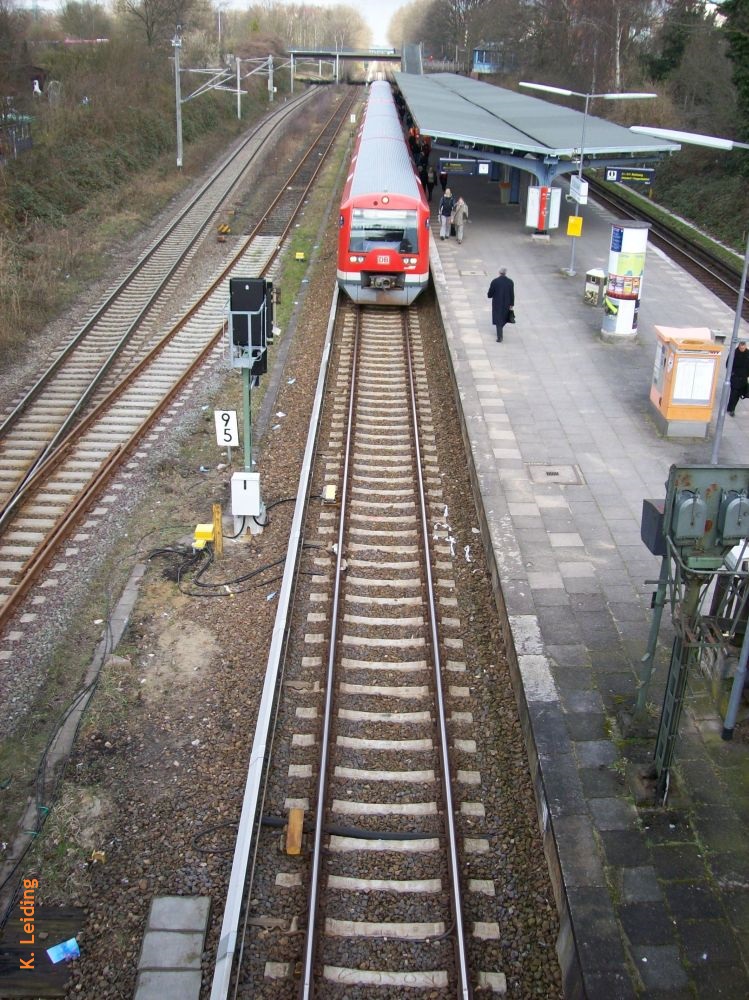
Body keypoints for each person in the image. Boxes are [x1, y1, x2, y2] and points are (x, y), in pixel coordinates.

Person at [487, 267, 515, 342]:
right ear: (506, 273)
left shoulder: (495, 281)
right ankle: (500, 330)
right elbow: (512, 294)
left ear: (499, 273)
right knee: (503, 317)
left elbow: (490, 294)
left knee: (498, 318)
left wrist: (490, 295)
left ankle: (500, 336)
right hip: (507, 303)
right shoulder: (510, 282)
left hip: (497, 303)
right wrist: (512, 304)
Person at [727, 339, 749, 416]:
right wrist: (732, 373)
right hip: (735, 378)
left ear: (746, 347)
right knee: (734, 394)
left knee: (739, 394)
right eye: (741, 348)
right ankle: (731, 409)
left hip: (744, 378)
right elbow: (728, 364)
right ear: (738, 346)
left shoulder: (748, 353)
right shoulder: (734, 353)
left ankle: (731, 408)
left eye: (744, 348)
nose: (742, 349)